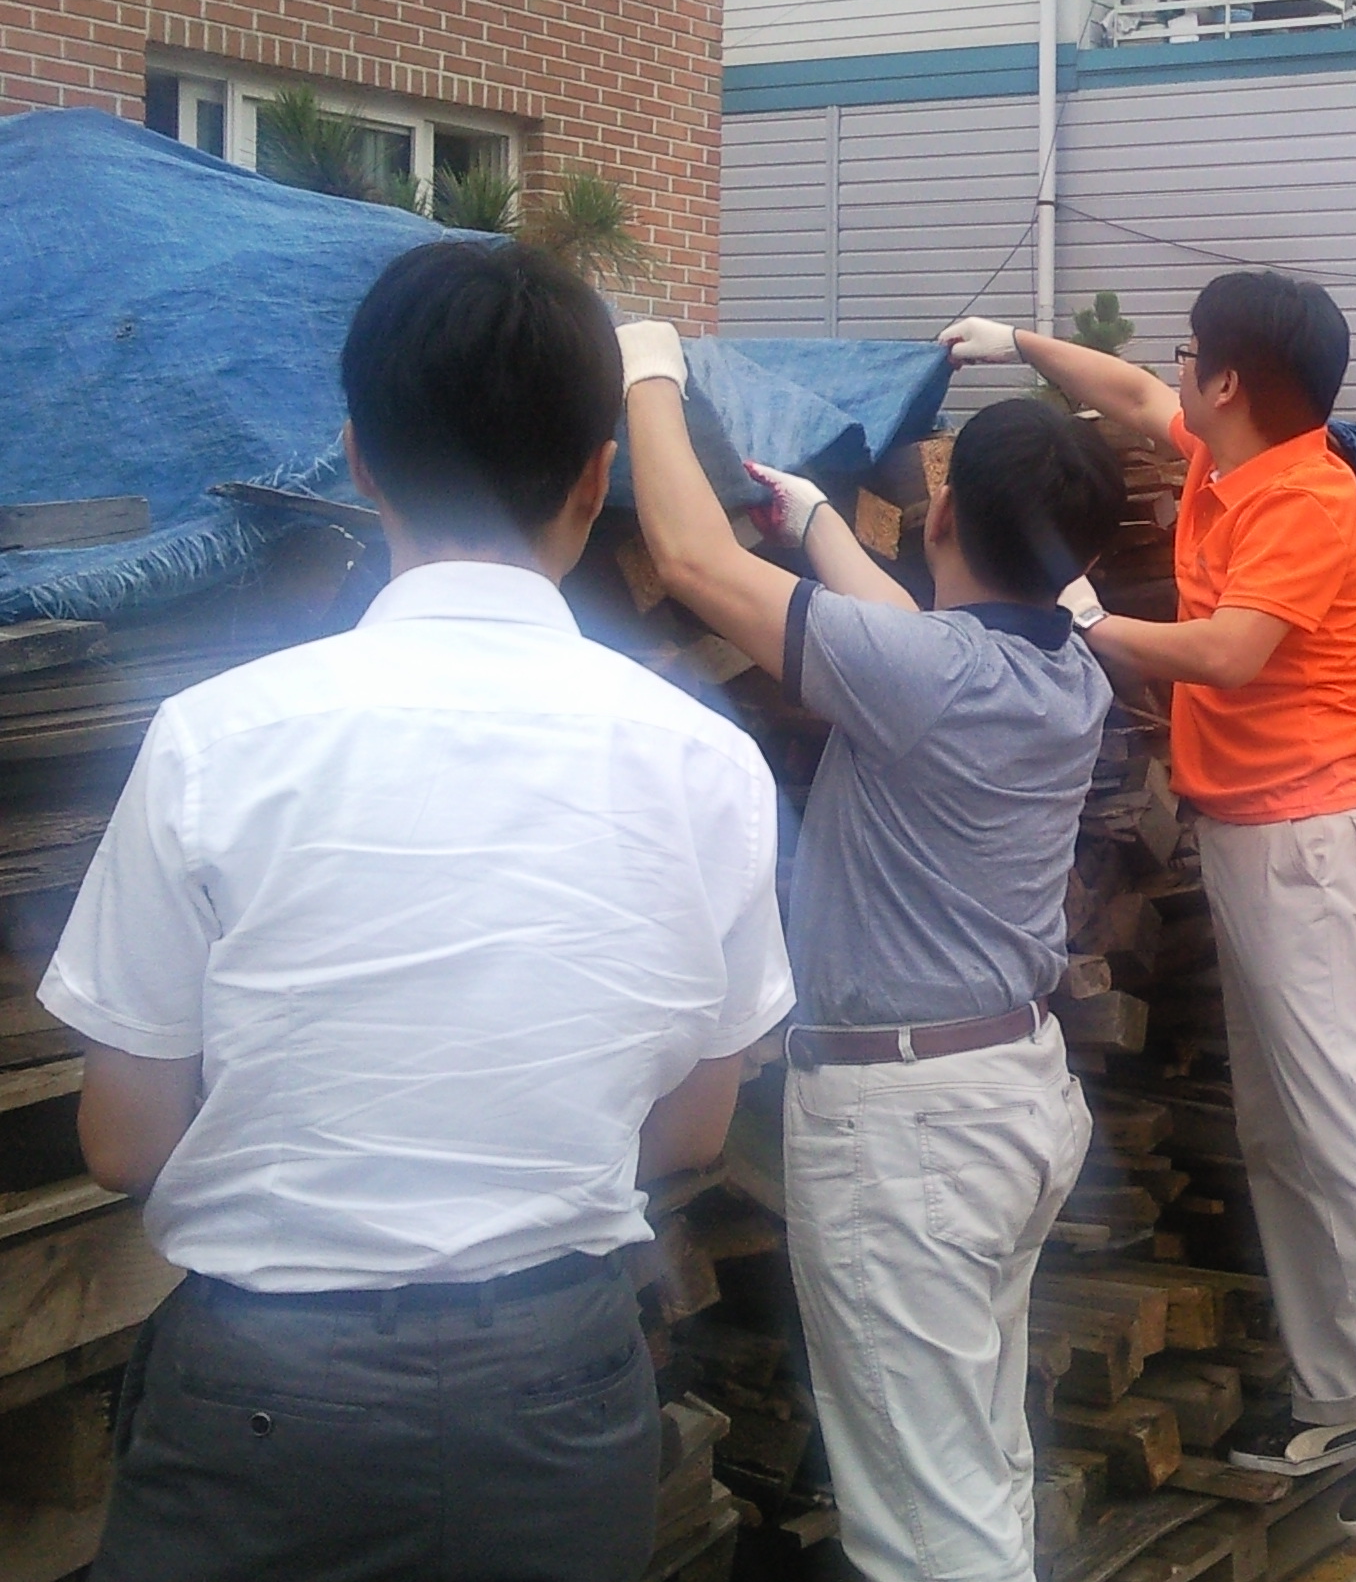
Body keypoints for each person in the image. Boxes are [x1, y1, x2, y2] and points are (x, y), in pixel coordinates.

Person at [39, 241, 796, 1582]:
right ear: (595, 480)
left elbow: (122, 1138)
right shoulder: (705, 763)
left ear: (361, 461)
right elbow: (687, 1127)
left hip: (263, 1410)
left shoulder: (215, 738)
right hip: (558, 1397)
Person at [938, 273, 1356, 1537]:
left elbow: (1226, 652)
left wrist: (1079, 614)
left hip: (1307, 849)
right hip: (1255, 843)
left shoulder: (1305, 496)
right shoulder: (1232, 452)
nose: (1175, 370)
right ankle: (1345, 1386)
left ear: (1235, 380)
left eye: (1193, 353)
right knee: (1283, 1131)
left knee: (1343, 1124)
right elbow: (1130, 396)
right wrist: (1012, 343)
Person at [616, 321, 1126, 1582]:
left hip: (912, 1138)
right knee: (973, 1461)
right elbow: (908, 627)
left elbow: (684, 553)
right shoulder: (1067, 672)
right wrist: (809, 522)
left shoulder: (928, 676)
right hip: (1006, 1099)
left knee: (922, 1529)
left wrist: (646, 365)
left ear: (944, 513)